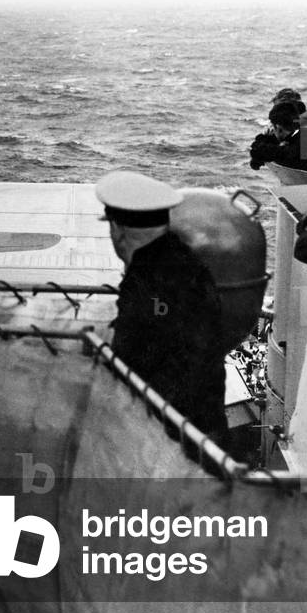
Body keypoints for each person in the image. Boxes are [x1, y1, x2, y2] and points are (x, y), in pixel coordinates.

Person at [96, 170, 229, 446]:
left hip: (167, 440)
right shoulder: (185, 264)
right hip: (203, 430)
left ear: (118, 231)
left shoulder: (146, 281)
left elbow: (129, 363)